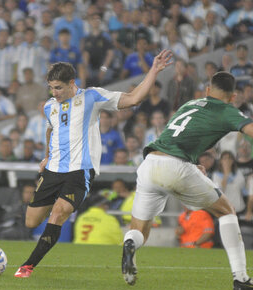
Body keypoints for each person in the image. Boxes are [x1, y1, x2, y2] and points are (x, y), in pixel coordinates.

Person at [122, 71, 253, 290]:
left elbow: (176, 139)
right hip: (175, 167)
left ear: (207, 90)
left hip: (149, 164)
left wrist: (192, 163)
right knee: (226, 211)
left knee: (140, 230)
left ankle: (129, 244)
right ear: (233, 97)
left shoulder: (190, 104)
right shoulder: (227, 111)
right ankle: (241, 279)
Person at [14, 50, 174, 278]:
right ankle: (55, 209)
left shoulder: (92, 97)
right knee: (31, 221)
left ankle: (27, 266)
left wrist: (154, 70)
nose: (54, 92)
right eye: (51, 87)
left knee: (58, 213)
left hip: (79, 172)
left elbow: (133, 99)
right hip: (52, 170)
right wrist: (48, 155)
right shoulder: (50, 106)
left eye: (58, 87)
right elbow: (52, 129)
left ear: (72, 83)